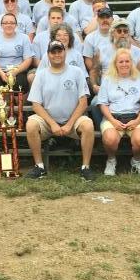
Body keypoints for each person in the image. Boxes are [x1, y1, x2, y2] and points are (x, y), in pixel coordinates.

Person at [26, 40, 95, 181]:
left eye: (60, 51)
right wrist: (52, 123)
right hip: (48, 121)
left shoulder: (77, 72)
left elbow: (83, 102)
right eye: (53, 52)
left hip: (73, 121)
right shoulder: (41, 74)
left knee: (88, 125)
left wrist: (70, 124)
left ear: (65, 53)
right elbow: (36, 104)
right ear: (48, 55)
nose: (57, 54)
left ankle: (85, 168)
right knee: (31, 124)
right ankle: (39, 166)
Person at [98, 48, 140, 176]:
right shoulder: (108, 79)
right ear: (115, 64)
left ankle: (136, 160)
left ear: (131, 63)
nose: (124, 64)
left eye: (127, 61)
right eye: (121, 62)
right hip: (114, 117)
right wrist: (113, 121)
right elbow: (103, 104)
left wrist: (138, 120)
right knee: (110, 139)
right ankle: (111, 160)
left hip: (135, 117)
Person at [0, 13, 34, 93]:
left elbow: (28, 59)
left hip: (18, 71)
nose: (9, 25)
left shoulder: (24, 38)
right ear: (1, 25)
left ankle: (18, 105)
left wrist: (15, 72)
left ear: (16, 25)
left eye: (12, 23)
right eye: (6, 23)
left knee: (21, 84)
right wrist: (1, 73)